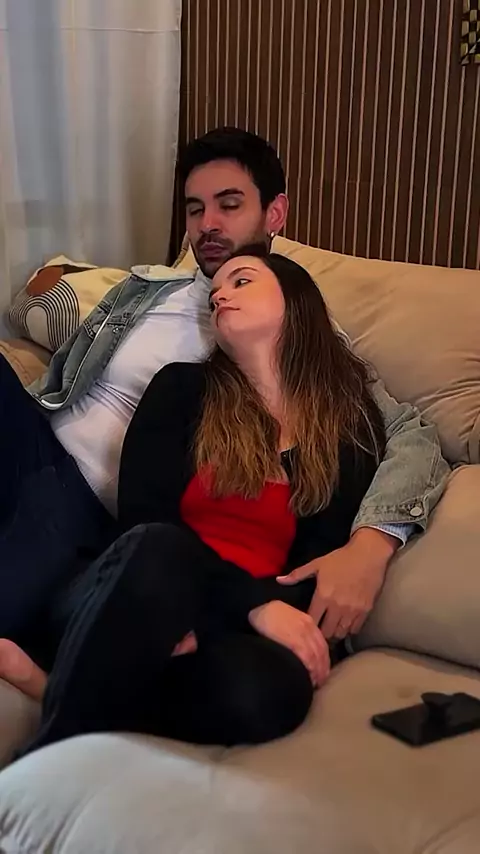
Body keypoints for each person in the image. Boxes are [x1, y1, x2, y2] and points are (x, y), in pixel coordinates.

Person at [0, 127, 448, 649]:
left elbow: (411, 432)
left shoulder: (296, 332)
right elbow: (53, 346)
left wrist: (373, 543)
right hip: (36, 446)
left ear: (275, 214)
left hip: (100, 514)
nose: (207, 224)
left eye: (229, 205)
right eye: (195, 209)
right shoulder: (147, 288)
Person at [10, 245, 391, 751]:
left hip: (228, 627)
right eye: (215, 292)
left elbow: (312, 566)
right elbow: (142, 523)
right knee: (162, 549)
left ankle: (50, 684)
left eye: (242, 281)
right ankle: (56, 749)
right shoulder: (181, 388)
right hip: (131, 592)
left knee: (266, 693)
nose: (220, 296)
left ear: (296, 300)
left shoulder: (350, 426)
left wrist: (214, 617)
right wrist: (246, 604)